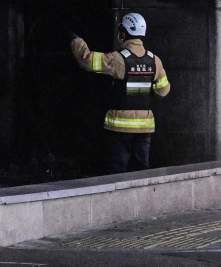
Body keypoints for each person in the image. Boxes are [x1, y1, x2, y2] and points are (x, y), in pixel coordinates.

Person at [70, 11, 170, 173]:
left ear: (124, 32)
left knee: (117, 172)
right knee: (141, 171)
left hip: (119, 129)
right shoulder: (155, 60)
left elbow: (87, 60)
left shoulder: (118, 59)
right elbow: (163, 91)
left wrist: (76, 40)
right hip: (144, 129)